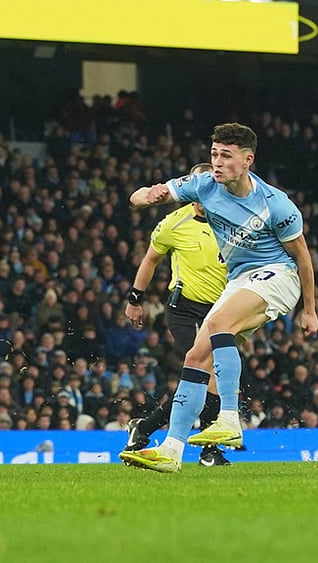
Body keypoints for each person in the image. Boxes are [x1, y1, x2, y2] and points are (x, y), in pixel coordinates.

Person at [120, 123, 318, 473]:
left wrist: (310, 310)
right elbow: (143, 196)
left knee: (217, 324)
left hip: (278, 275)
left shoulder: (276, 205)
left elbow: (302, 257)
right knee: (197, 355)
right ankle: (171, 449)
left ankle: (229, 418)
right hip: (240, 279)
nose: (217, 162)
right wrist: (145, 195)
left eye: (226, 156)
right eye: (214, 154)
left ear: (247, 161)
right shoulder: (202, 186)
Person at [123, 162, 231, 467]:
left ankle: (143, 428)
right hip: (186, 310)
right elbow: (150, 260)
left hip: (223, 309)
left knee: (211, 381)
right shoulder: (173, 223)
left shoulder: (230, 219)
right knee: (209, 375)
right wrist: (135, 299)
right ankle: (209, 448)